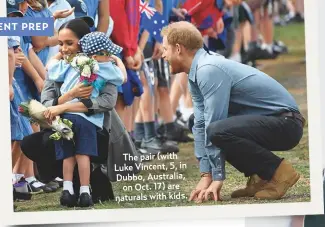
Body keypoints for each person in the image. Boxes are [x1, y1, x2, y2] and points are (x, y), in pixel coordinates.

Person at [161, 21, 305, 203]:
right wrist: (206, 174)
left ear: (178, 49)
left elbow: (213, 124)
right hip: (274, 121)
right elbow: (200, 123)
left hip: (286, 124)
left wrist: (218, 177)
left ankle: (279, 173)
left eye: (165, 49)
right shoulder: (197, 71)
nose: (163, 54)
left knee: (216, 130)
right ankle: (262, 177)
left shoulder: (208, 70)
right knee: (196, 121)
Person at [44, 22, 125, 207]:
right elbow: (121, 78)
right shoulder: (105, 67)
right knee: (83, 155)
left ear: (82, 44)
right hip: (88, 120)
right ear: (97, 54)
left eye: (68, 43)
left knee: (68, 155)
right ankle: (85, 192)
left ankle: (67, 190)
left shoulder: (71, 63)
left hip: (65, 118)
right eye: (60, 44)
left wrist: (58, 57)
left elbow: (51, 69)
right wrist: (116, 60)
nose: (64, 49)